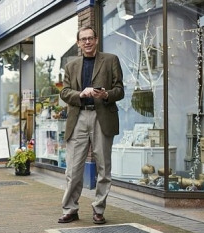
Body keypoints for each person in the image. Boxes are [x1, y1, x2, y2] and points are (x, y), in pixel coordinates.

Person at [58, 26, 124, 225]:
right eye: (83, 39)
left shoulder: (110, 60)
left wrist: (106, 95)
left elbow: (120, 90)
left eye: (90, 38)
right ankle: (70, 209)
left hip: (102, 116)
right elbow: (64, 92)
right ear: (78, 43)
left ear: (96, 40)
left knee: (104, 168)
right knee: (73, 168)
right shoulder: (71, 66)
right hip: (78, 118)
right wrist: (80, 94)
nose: (87, 42)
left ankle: (99, 209)